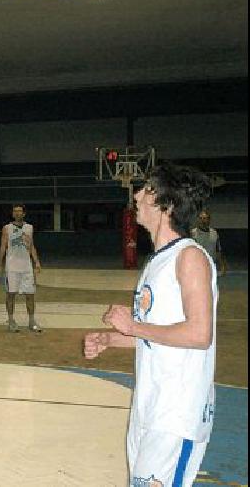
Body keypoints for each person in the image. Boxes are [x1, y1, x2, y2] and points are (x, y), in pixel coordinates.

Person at [84, 162, 216, 487]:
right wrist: (110, 339)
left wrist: (133, 327)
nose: (138, 196)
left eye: (145, 189)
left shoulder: (190, 258)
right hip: (150, 406)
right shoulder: (156, 261)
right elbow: (160, 334)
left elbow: (200, 334)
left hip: (177, 413)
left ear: (165, 204)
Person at [0, 204, 42, 332]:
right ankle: (11, 321)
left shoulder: (29, 228)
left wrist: (36, 261)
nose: (17, 213)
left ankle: (32, 322)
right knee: (11, 294)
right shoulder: (7, 228)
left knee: (30, 295)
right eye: (15, 211)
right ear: (12, 214)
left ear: (24, 213)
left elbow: (31, 246)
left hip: (26, 266)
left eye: (19, 211)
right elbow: (2, 246)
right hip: (12, 267)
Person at [191, 209, 227, 276]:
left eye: (205, 218)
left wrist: (222, 266)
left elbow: (218, 251)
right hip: (196, 268)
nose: (202, 220)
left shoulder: (214, 233)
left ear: (209, 220)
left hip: (211, 267)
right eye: (200, 218)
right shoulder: (192, 234)